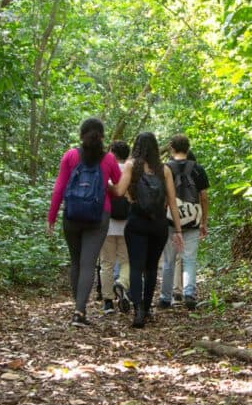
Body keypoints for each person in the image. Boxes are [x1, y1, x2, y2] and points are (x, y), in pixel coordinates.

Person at [47, 118, 123, 327]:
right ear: (102, 136)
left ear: (81, 135)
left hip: (72, 214)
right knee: (88, 263)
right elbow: (119, 186)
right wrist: (107, 188)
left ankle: (78, 307)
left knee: (76, 262)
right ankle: (79, 311)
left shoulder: (70, 155)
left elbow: (59, 188)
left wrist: (51, 217)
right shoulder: (109, 159)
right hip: (98, 216)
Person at [110, 131, 183, 328]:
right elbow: (172, 202)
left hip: (136, 223)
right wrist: (178, 230)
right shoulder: (164, 169)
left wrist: (107, 184)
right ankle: (148, 307)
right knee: (151, 268)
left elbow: (118, 191)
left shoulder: (131, 165)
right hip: (158, 224)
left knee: (136, 266)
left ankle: (138, 310)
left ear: (137, 146)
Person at [159, 136, 209, 310]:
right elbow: (204, 197)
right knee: (189, 259)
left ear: (171, 148)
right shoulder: (198, 169)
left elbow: (161, 197)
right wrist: (203, 221)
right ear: (188, 148)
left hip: (170, 221)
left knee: (169, 261)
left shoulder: (165, 169)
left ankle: (165, 298)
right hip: (192, 219)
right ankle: (189, 294)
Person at [99, 140, 131, 313]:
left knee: (107, 263)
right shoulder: (130, 171)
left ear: (111, 152)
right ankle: (122, 284)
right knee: (126, 261)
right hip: (127, 225)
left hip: (107, 224)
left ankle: (108, 302)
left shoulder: (105, 170)